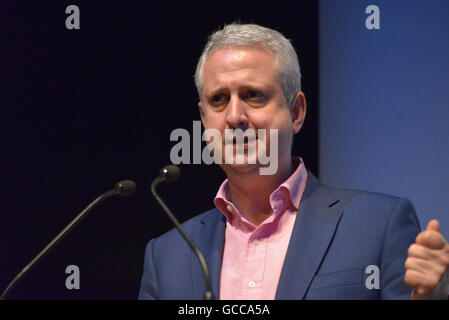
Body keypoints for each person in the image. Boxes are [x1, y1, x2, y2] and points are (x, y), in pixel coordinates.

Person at [138, 23, 449, 300]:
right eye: (219, 99)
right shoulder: (168, 256)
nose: (234, 116)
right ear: (204, 119)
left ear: (296, 112)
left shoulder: (380, 225)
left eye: (253, 95)